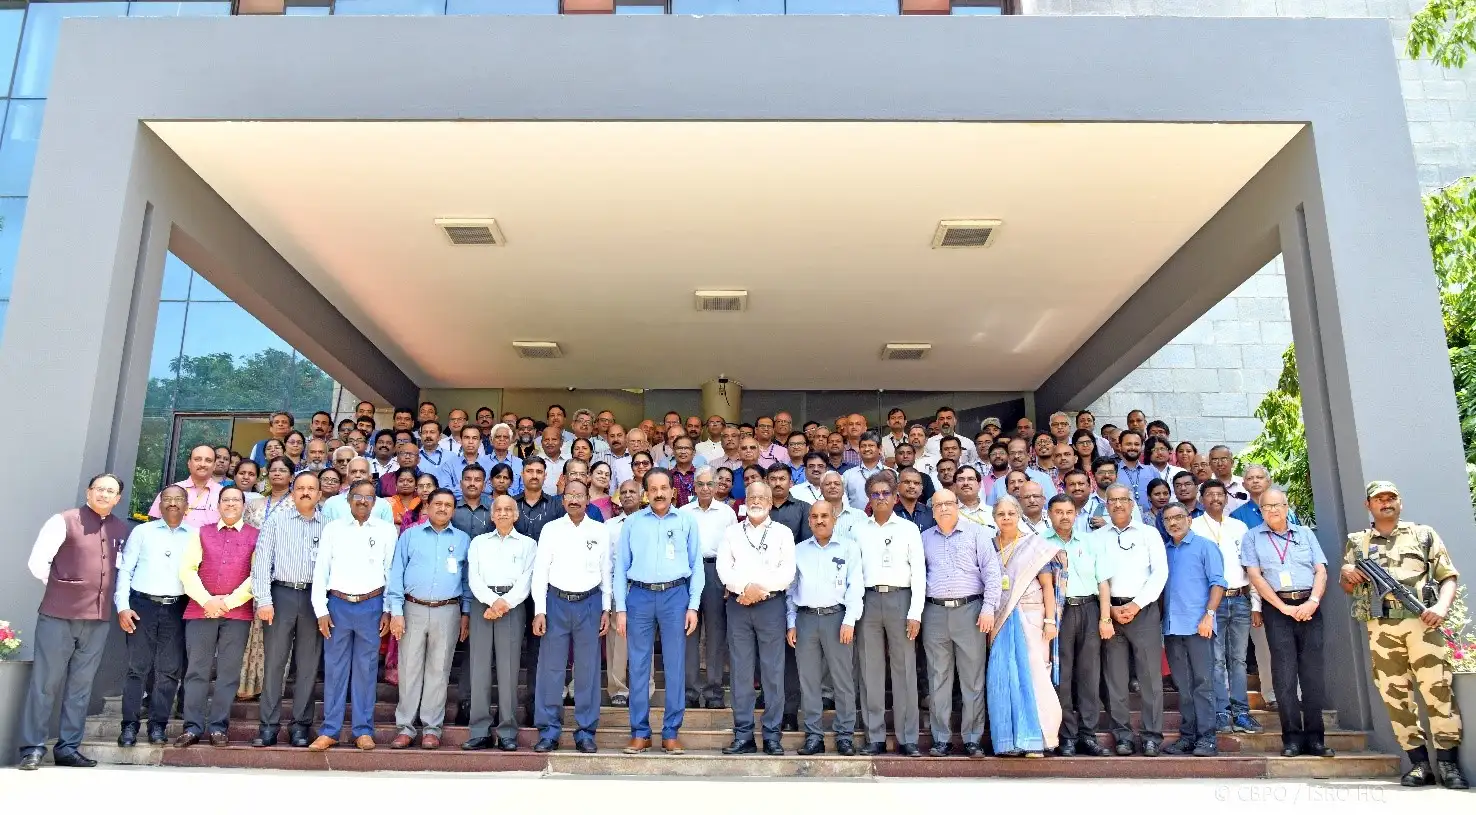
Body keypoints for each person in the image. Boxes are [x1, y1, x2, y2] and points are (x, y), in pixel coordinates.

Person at [1340, 481, 1467, 789]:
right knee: (1394, 695)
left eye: (1391, 497)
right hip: (1382, 627)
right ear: (1368, 505)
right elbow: (1349, 585)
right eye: (1379, 499)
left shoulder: (1423, 535)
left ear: (1400, 502)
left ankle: (1448, 765)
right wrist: (1346, 574)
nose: (1386, 502)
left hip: (1423, 623)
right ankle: (1419, 764)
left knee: (1438, 691)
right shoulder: (1357, 543)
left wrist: (1440, 606)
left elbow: (1447, 576)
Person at [17, 473, 130, 770]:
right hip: (58, 616)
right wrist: (62, 587)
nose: (105, 495)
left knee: (81, 688)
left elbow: (118, 573)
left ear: (118, 498)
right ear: (89, 491)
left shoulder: (121, 529)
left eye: (111, 491)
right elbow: (37, 562)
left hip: (97, 620)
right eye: (100, 489)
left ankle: (68, 748)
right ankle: (33, 748)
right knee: (45, 684)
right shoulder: (64, 520)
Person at [613, 468, 703, 755]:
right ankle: (640, 732)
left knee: (675, 666)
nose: (660, 493)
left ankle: (671, 733)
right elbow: (620, 569)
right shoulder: (633, 523)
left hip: (675, 596)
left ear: (673, 491)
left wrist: (693, 605)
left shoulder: (686, 521)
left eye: (664, 487)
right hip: (639, 596)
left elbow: (697, 565)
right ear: (645, 493)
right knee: (638, 666)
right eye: (653, 489)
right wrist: (621, 608)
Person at [1240, 488, 1331, 758]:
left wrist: (1313, 601)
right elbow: (1255, 577)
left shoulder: (1306, 534)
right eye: (1266, 507)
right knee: (1284, 676)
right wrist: (1281, 608)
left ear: (1286, 505)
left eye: (1277, 505)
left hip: (1309, 606)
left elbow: (1321, 570)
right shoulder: (1252, 537)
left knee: (1312, 675)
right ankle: (1291, 738)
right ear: (1261, 509)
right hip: (1277, 609)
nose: (1272, 511)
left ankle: (1316, 739)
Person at [309, 479, 396, 752]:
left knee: (366, 669)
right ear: (348, 499)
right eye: (357, 496)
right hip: (338, 605)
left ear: (376, 503)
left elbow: (391, 572)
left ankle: (362, 730)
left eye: (369, 497)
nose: (362, 501)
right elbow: (321, 570)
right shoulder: (333, 529)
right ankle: (330, 730)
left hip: (371, 606)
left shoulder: (385, 531)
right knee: (334, 670)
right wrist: (321, 609)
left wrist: (388, 609)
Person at [527, 480, 610, 754]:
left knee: (587, 670)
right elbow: (540, 571)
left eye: (580, 495)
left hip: (589, 603)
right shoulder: (551, 529)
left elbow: (605, 571)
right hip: (556, 602)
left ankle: (585, 731)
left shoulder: (600, 530)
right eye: (569, 495)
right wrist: (540, 609)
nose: (574, 499)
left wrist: (606, 608)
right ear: (563, 500)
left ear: (588, 499)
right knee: (550, 669)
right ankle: (549, 731)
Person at [920, 488, 1001, 757]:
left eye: (949, 503)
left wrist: (988, 608)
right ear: (932, 510)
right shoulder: (924, 539)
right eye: (938, 505)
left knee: (973, 679)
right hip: (934, 612)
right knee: (938, 678)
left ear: (958, 506)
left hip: (971, 611)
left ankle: (973, 738)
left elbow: (992, 572)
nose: (944, 508)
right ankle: (941, 738)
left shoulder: (977, 533)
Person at [717, 481, 797, 755]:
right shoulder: (731, 533)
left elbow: (787, 573)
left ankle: (772, 735)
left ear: (770, 500)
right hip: (739, 607)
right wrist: (744, 589)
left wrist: (757, 591)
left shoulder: (783, 533)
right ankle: (743, 735)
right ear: (745, 499)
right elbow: (723, 569)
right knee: (740, 672)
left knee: (773, 672)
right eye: (752, 495)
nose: (757, 500)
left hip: (770, 606)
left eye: (763, 496)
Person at [175, 485, 257, 748]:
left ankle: (219, 727)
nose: (231, 504)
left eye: (236, 500)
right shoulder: (202, 533)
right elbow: (187, 570)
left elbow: (256, 576)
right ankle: (192, 727)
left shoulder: (256, 535)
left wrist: (228, 602)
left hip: (238, 614)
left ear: (244, 505)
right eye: (226, 500)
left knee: (228, 673)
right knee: (196, 671)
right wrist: (207, 600)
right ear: (218, 505)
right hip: (200, 610)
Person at [386, 488, 469, 750]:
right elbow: (396, 573)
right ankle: (405, 728)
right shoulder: (409, 536)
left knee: (439, 671)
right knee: (409, 669)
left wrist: (465, 613)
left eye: (448, 505)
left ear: (453, 510)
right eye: (438, 504)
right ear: (428, 507)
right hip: (413, 609)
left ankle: (432, 728)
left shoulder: (464, 539)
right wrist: (396, 612)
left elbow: (466, 581)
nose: (443, 509)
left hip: (448, 610)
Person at [251, 470, 326, 748]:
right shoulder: (276, 521)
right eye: (301, 488)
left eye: (311, 489)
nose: (306, 492)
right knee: (274, 665)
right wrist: (264, 599)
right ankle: (268, 726)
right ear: (293, 493)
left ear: (320, 494)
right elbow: (261, 564)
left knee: (308, 665)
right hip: (280, 596)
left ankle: (300, 727)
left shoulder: (328, 525)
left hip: (314, 599)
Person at [853, 472, 926, 756]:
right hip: (868, 600)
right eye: (875, 494)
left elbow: (919, 572)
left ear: (895, 497)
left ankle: (908, 737)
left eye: (886, 493)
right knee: (870, 668)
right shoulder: (859, 530)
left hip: (901, 598)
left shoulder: (907, 529)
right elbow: (854, 573)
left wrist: (915, 612)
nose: (881, 498)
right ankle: (875, 736)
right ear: (869, 499)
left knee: (905, 668)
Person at [986, 496, 1065, 758]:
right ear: (994, 517)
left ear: (1019, 515)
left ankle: (1037, 740)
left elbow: (1047, 587)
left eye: (1011, 513)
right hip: (1000, 619)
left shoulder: (1034, 546)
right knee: (1003, 676)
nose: (1006, 518)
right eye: (1001, 514)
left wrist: (1051, 621)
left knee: (1033, 678)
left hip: (1031, 618)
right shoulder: (989, 546)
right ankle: (1009, 741)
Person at [115, 484, 193, 747]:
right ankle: (129, 726)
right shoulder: (142, 531)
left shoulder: (194, 536)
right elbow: (125, 570)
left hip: (176, 608)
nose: (173, 504)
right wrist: (122, 606)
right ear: (159, 505)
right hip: (141, 606)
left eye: (178, 499)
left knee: (170, 670)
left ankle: (158, 726)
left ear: (186, 506)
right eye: (167, 499)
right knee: (137, 669)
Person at [1097, 485, 1168, 756]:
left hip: (1143, 610)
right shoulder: (1097, 537)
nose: (1117, 505)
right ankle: (1122, 736)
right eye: (1112, 500)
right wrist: (1109, 611)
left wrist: (1137, 604)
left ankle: (1151, 736)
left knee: (1150, 678)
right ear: (1106, 504)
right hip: (1110, 612)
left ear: (1131, 503)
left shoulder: (1149, 534)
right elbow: (1097, 576)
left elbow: (1160, 573)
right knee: (1115, 678)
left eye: (1123, 500)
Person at [786, 500, 862, 756]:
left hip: (837, 618)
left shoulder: (849, 548)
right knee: (809, 681)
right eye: (815, 517)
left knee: (842, 680)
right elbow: (790, 590)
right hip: (805, 620)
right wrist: (791, 621)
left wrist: (850, 619)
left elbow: (855, 586)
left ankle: (844, 735)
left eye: (825, 516)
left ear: (834, 519)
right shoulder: (798, 550)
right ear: (809, 521)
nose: (820, 521)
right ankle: (814, 735)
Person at [463, 494, 536, 751]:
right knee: (480, 669)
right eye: (499, 510)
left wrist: (505, 603)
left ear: (516, 515)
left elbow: (527, 579)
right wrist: (493, 601)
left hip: (512, 608)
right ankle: (480, 730)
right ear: (491, 515)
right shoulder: (478, 543)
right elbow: (474, 577)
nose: (503, 513)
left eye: (509, 509)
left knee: (508, 670)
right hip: (482, 604)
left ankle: (507, 731)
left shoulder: (528, 544)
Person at [1190, 480, 1262, 735]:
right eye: (1209, 494)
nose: (1215, 499)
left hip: (1241, 599)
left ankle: (1241, 712)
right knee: (1217, 660)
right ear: (1202, 499)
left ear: (1226, 498)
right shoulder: (1194, 527)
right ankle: (1221, 712)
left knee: (1239, 660)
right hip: (1213, 603)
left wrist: (1256, 604)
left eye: (1219, 494)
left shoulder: (1239, 527)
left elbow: (1251, 567)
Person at [1045, 494, 1114, 756]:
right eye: (1058, 512)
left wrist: (1105, 618)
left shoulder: (1090, 541)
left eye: (1069, 512)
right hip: (1059, 614)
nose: (1064, 516)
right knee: (1061, 676)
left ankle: (1088, 734)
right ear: (1050, 514)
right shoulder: (1041, 543)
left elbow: (1103, 583)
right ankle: (1067, 736)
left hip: (1089, 608)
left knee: (1089, 675)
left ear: (1076, 514)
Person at [1159, 502, 1225, 757]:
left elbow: (1218, 583)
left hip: (1200, 626)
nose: (1173, 523)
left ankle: (1207, 738)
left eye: (1178, 518)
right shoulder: (1164, 551)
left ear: (1189, 519)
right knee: (1183, 685)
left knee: (1203, 683)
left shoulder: (1205, 547)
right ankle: (1188, 736)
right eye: (1168, 520)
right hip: (1173, 628)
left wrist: (1209, 616)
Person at [681, 466, 737, 710]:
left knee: (715, 633)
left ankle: (714, 692)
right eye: (700, 484)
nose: (705, 488)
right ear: (694, 486)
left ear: (716, 487)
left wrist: (728, 580)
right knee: (689, 632)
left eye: (709, 484)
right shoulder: (683, 512)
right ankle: (690, 691)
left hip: (716, 572)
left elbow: (734, 549)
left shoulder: (727, 513)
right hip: (689, 573)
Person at [149, 444, 223, 528]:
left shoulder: (224, 494)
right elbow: (153, 525)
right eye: (197, 459)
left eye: (208, 460)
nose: (202, 464)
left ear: (214, 466)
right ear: (189, 463)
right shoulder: (171, 491)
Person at [322, 458, 396, 524]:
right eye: (353, 472)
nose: (357, 475)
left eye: (362, 472)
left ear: (370, 478)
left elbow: (388, 535)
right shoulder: (332, 503)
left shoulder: (383, 505)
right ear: (347, 478)